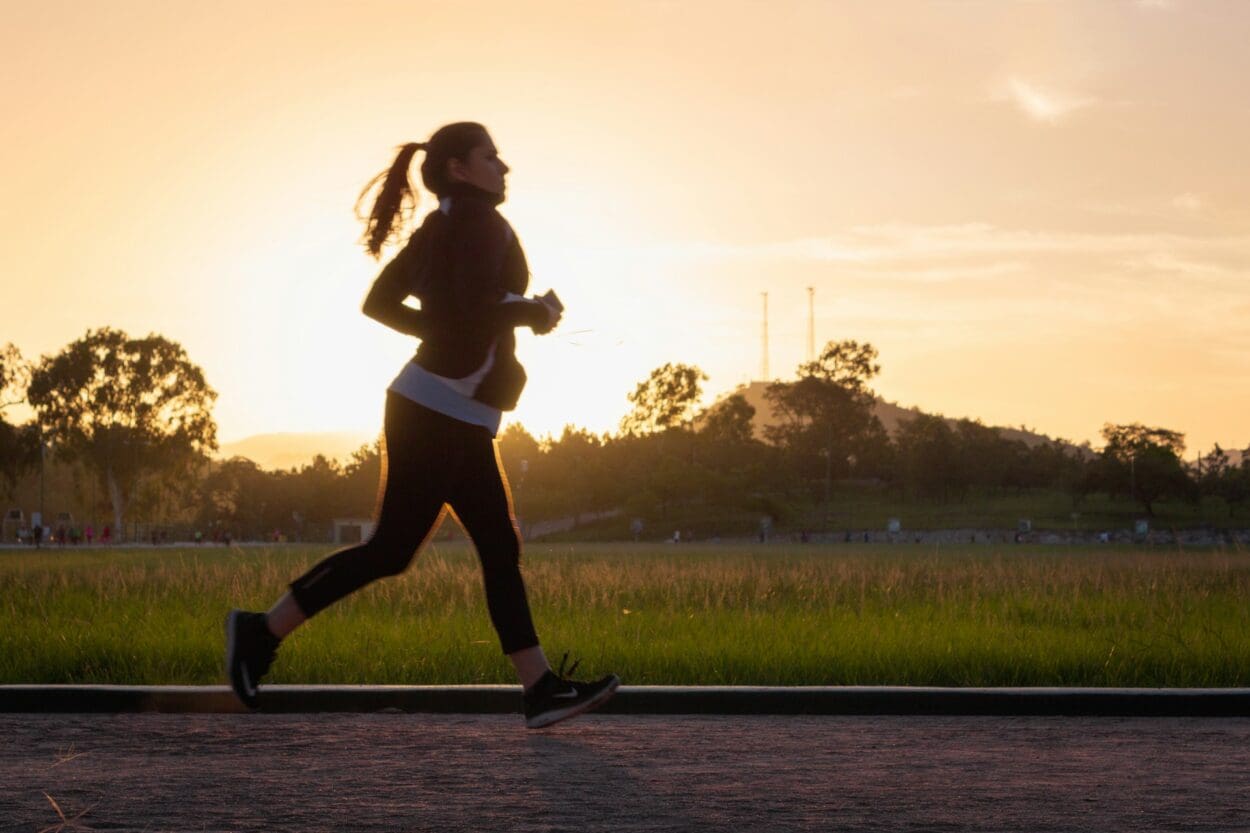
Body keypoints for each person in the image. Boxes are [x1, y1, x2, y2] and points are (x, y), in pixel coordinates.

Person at [225, 122, 618, 729]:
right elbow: (470, 308)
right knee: (400, 549)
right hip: (435, 410)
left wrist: (447, 333)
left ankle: (539, 688)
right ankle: (258, 631)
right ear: (460, 168)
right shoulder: (477, 226)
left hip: (445, 408)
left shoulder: (444, 227)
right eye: (491, 156)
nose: (503, 167)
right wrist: (534, 311)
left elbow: (383, 303)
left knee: (488, 546)